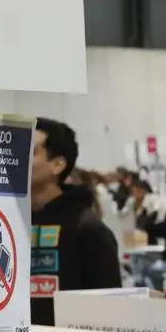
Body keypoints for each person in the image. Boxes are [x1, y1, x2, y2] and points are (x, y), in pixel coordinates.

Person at [29, 118, 122, 313]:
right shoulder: (6, 222)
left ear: (57, 165)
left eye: (30, 151)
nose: (16, 158)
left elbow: (109, 312)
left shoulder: (88, 229)